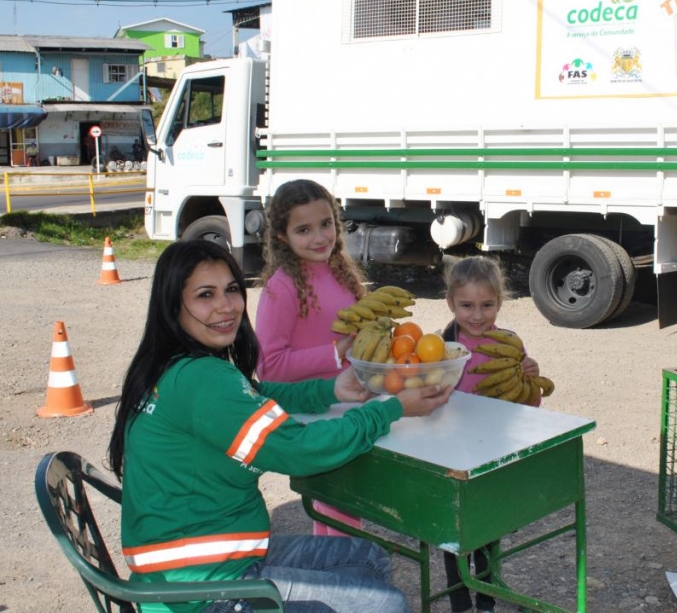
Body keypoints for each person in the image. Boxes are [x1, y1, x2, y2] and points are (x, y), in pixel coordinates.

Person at [108, 240, 452, 613]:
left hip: (203, 562)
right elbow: (298, 451)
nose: (226, 307)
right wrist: (390, 410)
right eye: (205, 295)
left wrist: (330, 389)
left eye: (232, 290)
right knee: (387, 606)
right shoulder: (203, 380)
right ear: (173, 307)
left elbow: (254, 394)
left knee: (368, 558)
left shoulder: (174, 366)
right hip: (202, 591)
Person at [255, 178, 369, 536]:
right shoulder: (281, 287)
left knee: (350, 501)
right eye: (303, 229)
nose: (320, 237)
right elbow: (268, 367)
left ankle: (342, 567)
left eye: (326, 224)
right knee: (336, 502)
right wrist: (335, 353)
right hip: (315, 413)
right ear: (282, 237)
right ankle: (339, 570)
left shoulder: (343, 274)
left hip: (351, 404)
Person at [439, 255, 543, 613]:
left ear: (500, 302)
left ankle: (486, 599)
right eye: (466, 305)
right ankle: (459, 602)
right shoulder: (442, 347)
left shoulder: (510, 344)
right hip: (452, 453)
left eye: (487, 305)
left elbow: (530, 404)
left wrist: (530, 375)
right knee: (452, 534)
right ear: (451, 303)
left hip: (492, 453)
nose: (477, 315)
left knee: (487, 531)